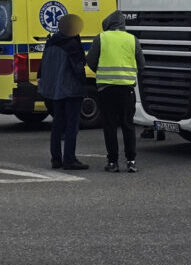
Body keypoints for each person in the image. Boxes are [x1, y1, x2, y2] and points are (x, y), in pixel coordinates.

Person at [86, 10, 145, 173]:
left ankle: (113, 162)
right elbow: (142, 64)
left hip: (106, 89)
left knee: (110, 126)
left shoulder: (101, 38)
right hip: (127, 89)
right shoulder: (133, 40)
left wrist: (101, 71)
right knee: (128, 125)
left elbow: (90, 61)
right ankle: (131, 161)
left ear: (108, 24)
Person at [37, 14, 88, 171]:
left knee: (57, 124)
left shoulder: (51, 42)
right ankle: (69, 159)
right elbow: (78, 68)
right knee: (72, 126)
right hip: (71, 89)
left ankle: (56, 159)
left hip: (55, 90)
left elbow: (42, 67)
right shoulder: (72, 44)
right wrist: (83, 82)